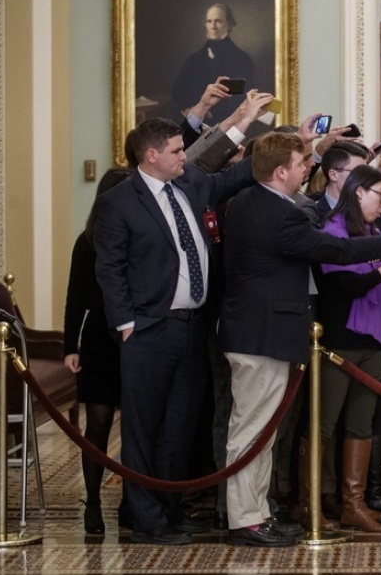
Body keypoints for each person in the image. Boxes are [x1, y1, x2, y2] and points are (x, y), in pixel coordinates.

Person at [217, 133, 381, 545]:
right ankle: (246, 520)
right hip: (264, 333)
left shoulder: (244, 200)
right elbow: (332, 249)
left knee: (260, 431)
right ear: (281, 171)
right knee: (253, 432)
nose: (306, 170)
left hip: (254, 329)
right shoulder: (281, 213)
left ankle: (255, 514)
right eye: (300, 164)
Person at [93, 116, 261, 545]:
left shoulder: (191, 185)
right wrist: (126, 323)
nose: (184, 156)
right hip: (148, 330)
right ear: (151, 155)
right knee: (144, 429)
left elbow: (235, 174)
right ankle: (146, 518)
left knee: (179, 427)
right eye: (176, 150)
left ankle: (168, 511)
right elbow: (109, 269)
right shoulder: (119, 201)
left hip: (192, 329)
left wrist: (299, 146)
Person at [313, 164, 381, 533]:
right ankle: (312, 501)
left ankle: (353, 503)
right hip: (339, 339)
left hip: (373, 336)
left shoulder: (375, 230)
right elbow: (348, 287)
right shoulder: (332, 229)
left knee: (362, 422)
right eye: (380, 195)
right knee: (326, 424)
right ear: (358, 192)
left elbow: (379, 283)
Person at [63, 168, 132, 534]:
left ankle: (129, 504)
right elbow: (75, 299)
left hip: (135, 337)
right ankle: (92, 502)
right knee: (99, 426)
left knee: (135, 425)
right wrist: (69, 347)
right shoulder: (86, 241)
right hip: (99, 340)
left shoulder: (137, 237)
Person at [172, 3, 254, 124]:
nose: (213, 26)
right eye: (209, 21)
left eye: (218, 21)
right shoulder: (193, 60)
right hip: (195, 122)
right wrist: (191, 109)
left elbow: (241, 96)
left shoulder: (243, 59)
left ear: (229, 24)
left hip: (229, 124)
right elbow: (178, 90)